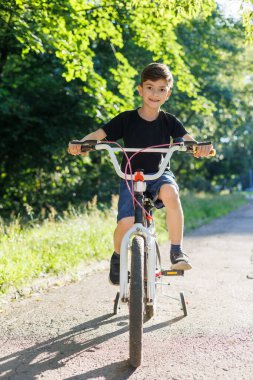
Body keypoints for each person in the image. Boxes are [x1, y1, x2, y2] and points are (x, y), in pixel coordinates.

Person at [68, 63, 212, 285]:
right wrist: (81, 144)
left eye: (161, 89)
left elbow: (188, 139)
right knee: (125, 223)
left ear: (168, 93)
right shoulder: (126, 119)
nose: (155, 93)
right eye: (150, 87)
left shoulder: (169, 121)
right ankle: (117, 257)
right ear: (140, 90)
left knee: (171, 193)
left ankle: (176, 251)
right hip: (130, 177)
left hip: (159, 175)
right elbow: (100, 134)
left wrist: (200, 147)